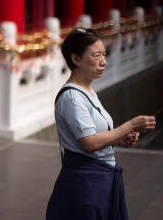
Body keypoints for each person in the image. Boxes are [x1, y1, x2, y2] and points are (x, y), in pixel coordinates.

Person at [46, 28, 156, 220]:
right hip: (85, 184)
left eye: (104, 55)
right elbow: (89, 142)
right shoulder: (72, 97)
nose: (104, 62)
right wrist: (129, 126)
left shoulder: (88, 91)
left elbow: (96, 134)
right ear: (76, 59)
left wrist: (121, 136)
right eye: (96, 55)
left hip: (99, 179)